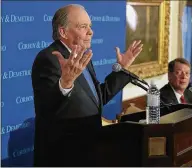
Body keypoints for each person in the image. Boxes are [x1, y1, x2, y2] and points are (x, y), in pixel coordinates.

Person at [31, 4, 143, 166]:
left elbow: (98, 98)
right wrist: (65, 83)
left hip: (89, 151)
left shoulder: (82, 58)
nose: (91, 32)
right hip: (63, 156)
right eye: (83, 27)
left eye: (90, 26)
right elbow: (46, 108)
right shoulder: (49, 59)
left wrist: (122, 70)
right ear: (63, 32)